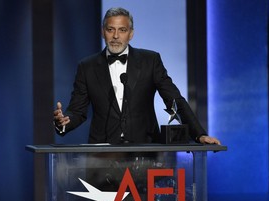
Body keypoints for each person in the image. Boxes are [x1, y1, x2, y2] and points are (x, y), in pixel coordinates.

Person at [53, 7, 220, 145]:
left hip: (145, 151)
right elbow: (77, 111)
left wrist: (199, 134)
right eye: (110, 30)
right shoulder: (87, 66)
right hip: (102, 156)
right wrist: (64, 122)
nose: (116, 36)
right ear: (103, 32)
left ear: (131, 34)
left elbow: (174, 99)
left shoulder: (150, 61)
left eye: (122, 30)